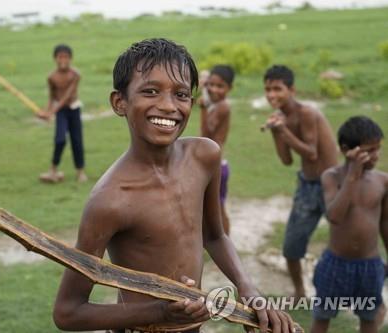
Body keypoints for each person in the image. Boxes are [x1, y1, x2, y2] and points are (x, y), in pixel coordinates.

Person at [53, 38, 294, 333]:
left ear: (191, 102)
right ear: (120, 102)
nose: (168, 106)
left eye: (181, 94)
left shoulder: (205, 156)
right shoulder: (110, 200)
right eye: (151, 91)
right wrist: (159, 311)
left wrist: (249, 290)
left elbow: (215, 236)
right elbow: (68, 312)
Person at [262, 65, 338, 298]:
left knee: (346, 243)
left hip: (332, 185)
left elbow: (312, 153)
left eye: (277, 89)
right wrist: (277, 132)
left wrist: (283, 130)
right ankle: (299, 292)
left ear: (292, 89)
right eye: (267, 90)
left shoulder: (307, 114)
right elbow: (286, 160)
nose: (271, 95)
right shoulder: (282, 118)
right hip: (307, 185)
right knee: (291, 247)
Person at [311, 116, 387, 333]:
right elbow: (334, 216)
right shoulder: (331, 177)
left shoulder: (382, 181)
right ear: (346, 150)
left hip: (370, 265)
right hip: (335, 264)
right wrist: (353, 174)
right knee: (322, 316)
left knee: (369, 318)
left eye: (378, 149)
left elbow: (385, 223)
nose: (376, 155)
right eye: (369, 150)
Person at [39, 44, 88, 183]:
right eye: (60, 57)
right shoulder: (51, 77)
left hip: (73, 109)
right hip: (61, 112)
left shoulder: (75, 75)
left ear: (71, 58)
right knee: (59, 140)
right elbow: (52, 98)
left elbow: (67, 96)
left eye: (66, 57)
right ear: (55, 58)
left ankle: (80, 171)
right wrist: (45, 112)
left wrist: (52, 111)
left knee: (76, 140)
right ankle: (53, 169)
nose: (63, 60)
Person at [199, 65, 234, 235]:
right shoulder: (217, 103)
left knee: (218, 209)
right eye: (211, 85)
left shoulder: (222, 107)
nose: (214, 89)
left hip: (217, 167)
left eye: (220, 86)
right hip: (215, 165)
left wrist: (203, 109)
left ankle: (225, 240)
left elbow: (206, 133)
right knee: (212, 207)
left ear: (230, 88)